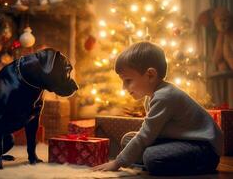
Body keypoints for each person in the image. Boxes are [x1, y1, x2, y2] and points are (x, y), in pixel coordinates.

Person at [92, 41, 223, 176]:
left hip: (203, 149)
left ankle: (191, 165)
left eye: (128, 80)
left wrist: (117, 162)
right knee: (128, 139)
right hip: (179, 140)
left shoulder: (164, 97)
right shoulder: (151, 97)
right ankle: (153, 161)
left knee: (151, 157)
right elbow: (150, 134)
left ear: (150, 75)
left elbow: (146, 135)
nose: (123, 87)